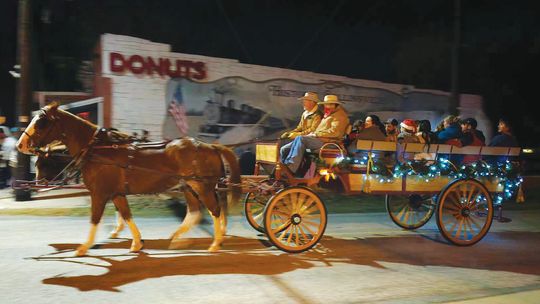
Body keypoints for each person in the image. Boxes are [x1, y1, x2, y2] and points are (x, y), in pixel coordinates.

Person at [280, 94, 349, 175]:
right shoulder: (328, 114)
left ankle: (291, 167)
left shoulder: (339, 116)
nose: (328, 106)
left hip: (329, 142)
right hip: (320, 139)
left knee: (301, 138)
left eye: (331, 104)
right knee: (285, 149)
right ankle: (284, 169)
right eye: (326, 104)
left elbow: (335, 132)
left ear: (336, 105)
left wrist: (315, 134)